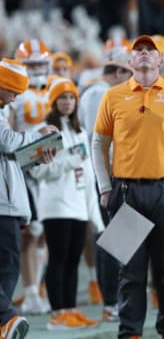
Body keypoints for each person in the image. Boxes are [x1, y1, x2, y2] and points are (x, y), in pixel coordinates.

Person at [91, 35, 164, 339]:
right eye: (138, 51)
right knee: (129, 271)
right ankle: (130, 332)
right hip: (126, 191)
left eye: (150, 51)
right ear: (130, 62)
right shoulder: (113, 96)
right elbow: (98, 143)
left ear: (161, 60)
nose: (144, 54)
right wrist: (105, 185)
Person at [29, 77, 103, 330]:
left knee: (73, 260)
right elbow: (38, 171)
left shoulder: (80, 131)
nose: (67, 102)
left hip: (78, 205)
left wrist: (94, 213)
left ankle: (70, 310)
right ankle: (57, 314)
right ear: (53, 101)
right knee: (58, 258)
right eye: (62, 97)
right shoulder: (45, 129)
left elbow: (90, 173)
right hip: (55, 204)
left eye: (71, 97)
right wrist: (70, 161)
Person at [0, 57, 57, 339]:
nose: (14, 98)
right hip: (2, 202)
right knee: (6, 262)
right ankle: (4, 318)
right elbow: (7, 142)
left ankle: (3, 322)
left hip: (7, 200)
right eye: (12, 91)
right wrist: (38, 136)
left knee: (8, 264)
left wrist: (36, 154)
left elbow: (9, 156)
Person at [78, 43, 133, 323]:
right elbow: (97, 140)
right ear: (119, 70)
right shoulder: (101, 93)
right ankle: (111, 301)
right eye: (127, 71)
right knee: (112, 239)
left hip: (116, 171)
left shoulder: (101, 92)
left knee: (120, 238)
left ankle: (116, 299)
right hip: (108, 174)